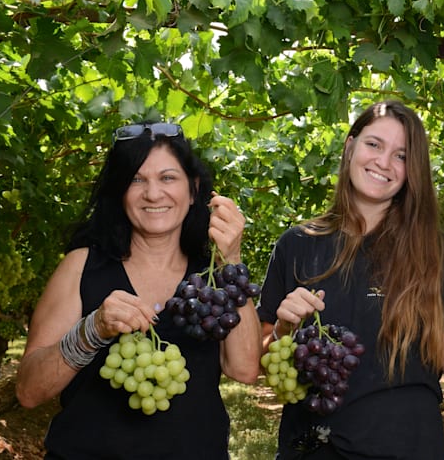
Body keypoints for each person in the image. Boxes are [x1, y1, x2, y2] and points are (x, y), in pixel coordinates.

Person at [257, 100, 444, 460]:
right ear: (349, 146)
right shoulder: (296, 244)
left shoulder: (433, 250)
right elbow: (264, 356)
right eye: (374, 144)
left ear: (411, 171)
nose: (384, 162)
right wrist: (283, 328)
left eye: (401, 155)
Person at [16, 122, 262, 459]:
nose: (153, 193)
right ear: (120, 192)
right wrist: (92, 330)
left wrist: (230, 260)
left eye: (167, 178)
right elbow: (28, 391)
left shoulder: (214, 278)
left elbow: (244, 369)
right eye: (136, 179)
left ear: (193, 190)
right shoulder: (81, 266)